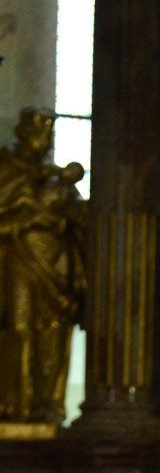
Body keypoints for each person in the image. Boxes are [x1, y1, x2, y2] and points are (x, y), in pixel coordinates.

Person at [0, 107, 86, 426]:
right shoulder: (6, 170)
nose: (44, 142)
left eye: (48, 136)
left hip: (55, 265)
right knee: (19, 331)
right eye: (39, 135)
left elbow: (76, 215)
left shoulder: (53, 177)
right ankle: (15, 405)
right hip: (19, 265)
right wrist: (27, 219)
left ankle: (46, 404)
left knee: (52, 334)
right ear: (24, 135)